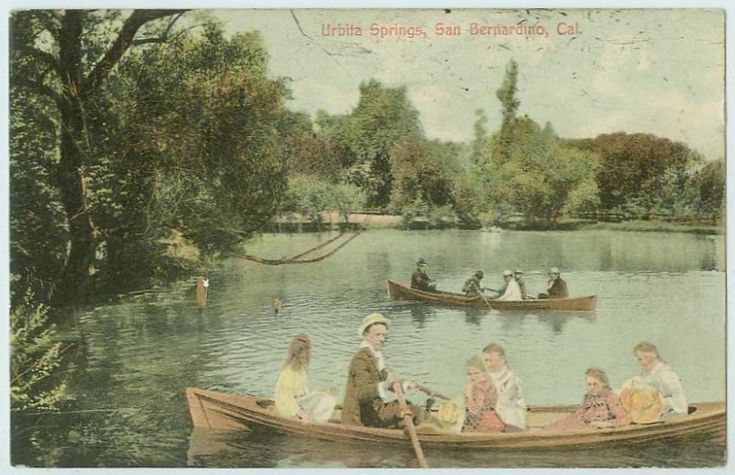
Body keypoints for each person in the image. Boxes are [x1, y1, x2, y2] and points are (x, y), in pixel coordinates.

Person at [341, 313, 421, 428]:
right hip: (359, 419)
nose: (382, 339)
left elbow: (388, 379)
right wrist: (383, 385)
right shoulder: (360, 359)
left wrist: (407, 385)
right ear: (365, 335)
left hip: (374, 411)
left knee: (409, 406)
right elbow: (363, 393)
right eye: (378, 335)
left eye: (384, 335)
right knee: (414, 411)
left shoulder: (374, 357)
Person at [274, 335, 337, 423]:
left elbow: (302, 393)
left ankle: (317, 419)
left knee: (327, 396)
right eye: (303, 355)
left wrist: (322, 392)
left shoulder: (301, 370)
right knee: (328, 399)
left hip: (298, 404)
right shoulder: (289, 372)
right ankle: (317, 422)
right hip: (287, 408)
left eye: (307, 353)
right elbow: (286, 399)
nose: (307, 356)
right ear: (296, 355)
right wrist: (300, 414)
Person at [545, 368, 631, 431]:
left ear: (603, 384)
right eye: (589, 384)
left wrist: (606, 424)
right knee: (555, 427)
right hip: (582, 425)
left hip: (595, 430)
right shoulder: (588, 397)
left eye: (595, 384)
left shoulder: (610, 397)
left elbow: (624, 418)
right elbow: (578, 414)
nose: (591, 388)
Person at [621, 341, 687, 414]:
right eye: (639, 359)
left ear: (653, 355)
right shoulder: (645, 375)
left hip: (673, 410)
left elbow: (675, 396)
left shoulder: (665, 374)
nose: (642, 362)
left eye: (643, 358)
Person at [482, 343, 527, 430]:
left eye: (490, 361)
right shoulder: (485, 376)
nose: (487, 364)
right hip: (492, 412)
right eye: (485, 360)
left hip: (509, 415)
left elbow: (502, 401)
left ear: (501, 360)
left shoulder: (511, 379)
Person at [461, 356, 506, 432]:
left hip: (483, 423)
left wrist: (469, 394)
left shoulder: (477, 387)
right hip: (493, 418)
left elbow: (475, 410)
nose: (473, 377)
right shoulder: (489, 382)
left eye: (476, 373)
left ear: (483, 372)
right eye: (469, 374)